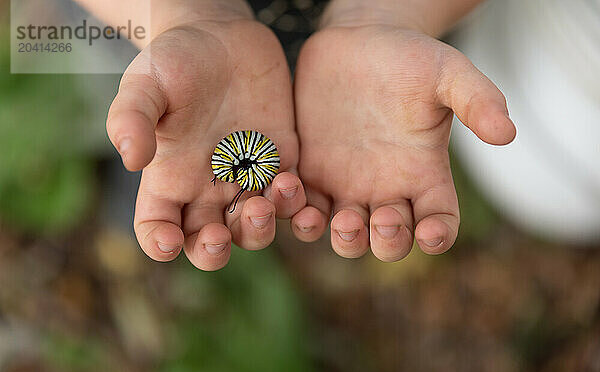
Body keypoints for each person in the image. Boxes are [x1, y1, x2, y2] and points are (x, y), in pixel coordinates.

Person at [76, 0, 516, 269]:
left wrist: (385, 11)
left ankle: (147, 177)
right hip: (147, 23)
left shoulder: (239, 161)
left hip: (392, 28)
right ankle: (140, 173)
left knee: (173, 135)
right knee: (163, 120)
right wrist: (184, 13)